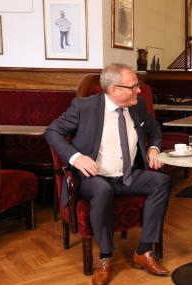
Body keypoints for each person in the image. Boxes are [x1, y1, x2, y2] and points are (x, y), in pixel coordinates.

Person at [45, 63, 171, 285]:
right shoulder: (84, 107)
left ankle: (143, 251)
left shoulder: (137, 106)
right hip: (94, 179)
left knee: (161, 182)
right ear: (114, 90)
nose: (139, 91)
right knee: (102, 190)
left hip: (129, 176)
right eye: (133, 87)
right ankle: (105, 256)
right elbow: (52, 132)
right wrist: (76, 157)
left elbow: (155, 130)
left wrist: (154, 148)